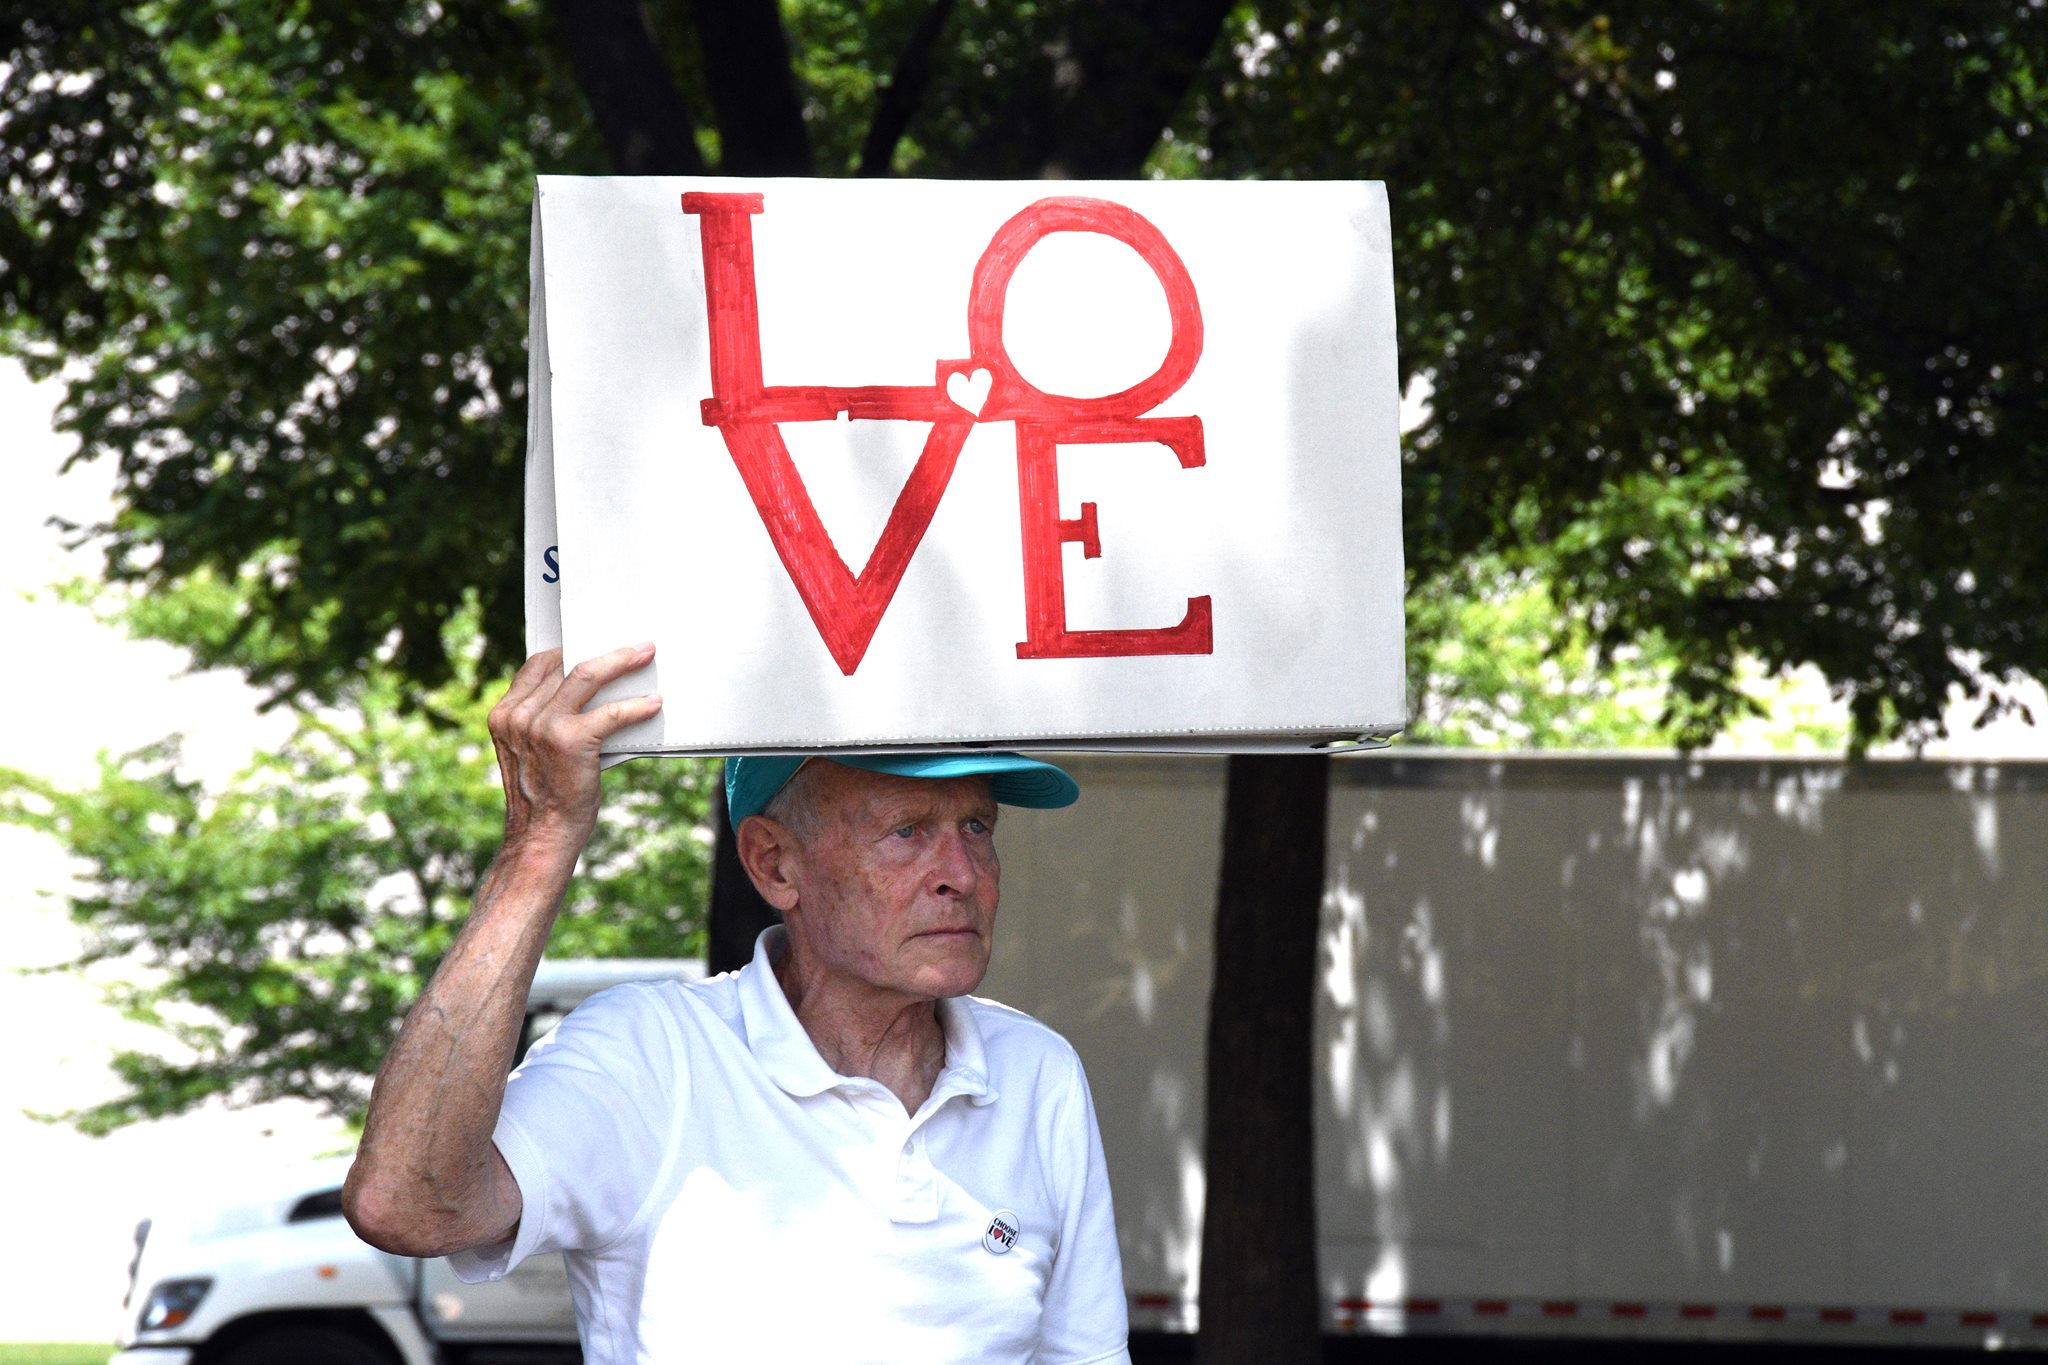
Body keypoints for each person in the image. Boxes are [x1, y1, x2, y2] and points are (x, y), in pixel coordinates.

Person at [342, 643, 1130, 1364]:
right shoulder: (653, 1056)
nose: (961, 870)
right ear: (773, 864)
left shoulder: (1036, 1072)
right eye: (908, 830)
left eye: (977, 825)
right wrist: (541, 838)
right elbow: (406, 1204)